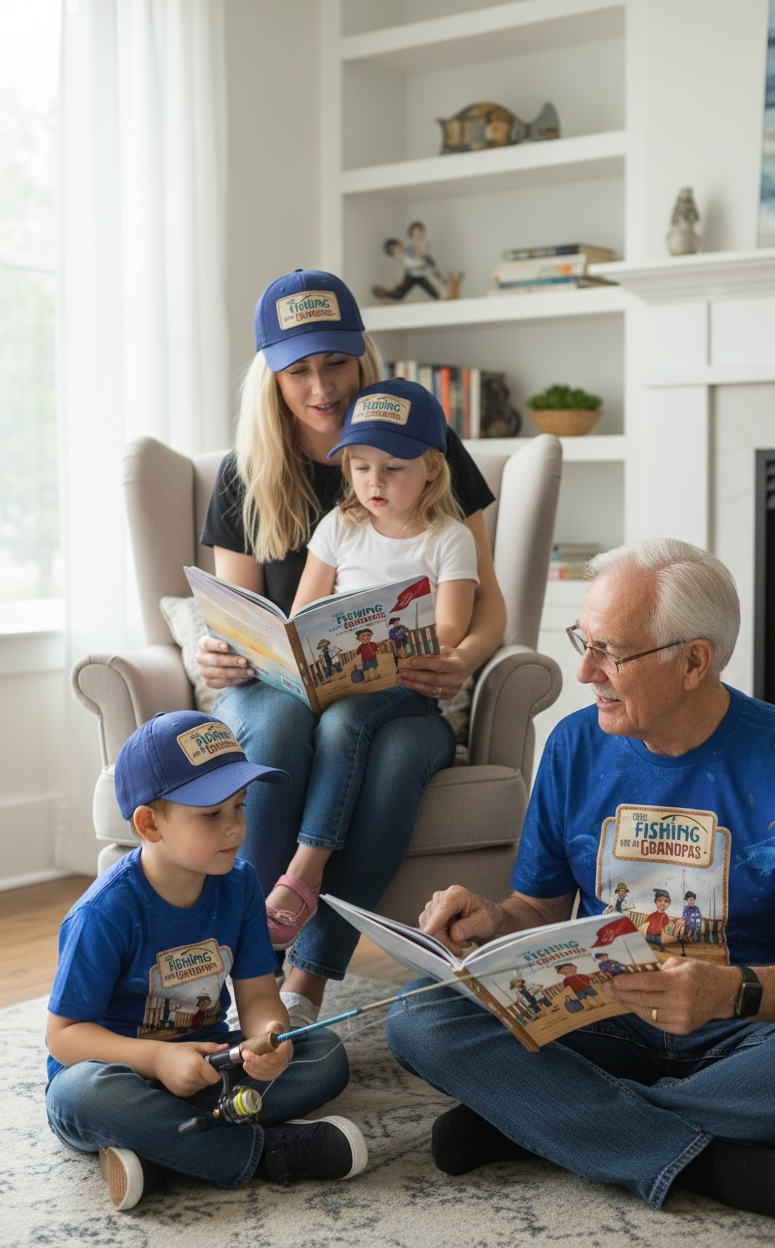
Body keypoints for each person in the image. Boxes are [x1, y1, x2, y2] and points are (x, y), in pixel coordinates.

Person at [387, 538, 775, 1243]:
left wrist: (731, 993)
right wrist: (490, 921)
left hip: (746, 1028)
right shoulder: (574, 745)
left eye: (610, 652)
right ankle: (720, 1165)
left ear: (693, 662)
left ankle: (540, 1120)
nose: (584, 670)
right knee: (418, 1018)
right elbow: (537, 911)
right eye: (583, 642)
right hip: (602, 1016)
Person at [197, 268, 505, 1029]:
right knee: (273, 729)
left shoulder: (425, 441)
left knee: (395, 756)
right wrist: (215, 654)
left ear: (361, 354)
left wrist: (463, 658)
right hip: (276, 689)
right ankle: (255, 970)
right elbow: (235, 613)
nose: (321, 386)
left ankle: (308, 980)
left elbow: (486, 602)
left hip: (406, 694)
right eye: (298, 369)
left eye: (335, 362)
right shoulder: (245, 473)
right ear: (270, 371)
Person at [45, 711, 368, 1211]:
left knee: (324, 1052)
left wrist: (270, 1038)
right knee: (80, 1096)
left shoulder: (238, 883)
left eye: (239, 806)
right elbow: (63, 1037)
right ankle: (266, 1153)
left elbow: (259, 995)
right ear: (150, 824)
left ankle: (162, 1154)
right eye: (211, 815)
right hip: (121, 1074)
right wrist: (157, 1059)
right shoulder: (104, 913)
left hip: (212, 1068)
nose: (235, 827)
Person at [263, 378, 478, 948]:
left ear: (433, 466)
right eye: (360, 467)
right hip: (342, 678)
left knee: (344, 723)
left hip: (408, 682)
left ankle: (306, 869)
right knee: (336, 717)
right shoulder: (339, 526)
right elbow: (303, 609)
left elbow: (452, 626)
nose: (373, 483)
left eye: (393, 468)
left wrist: (390, 632)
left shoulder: (448, 537)